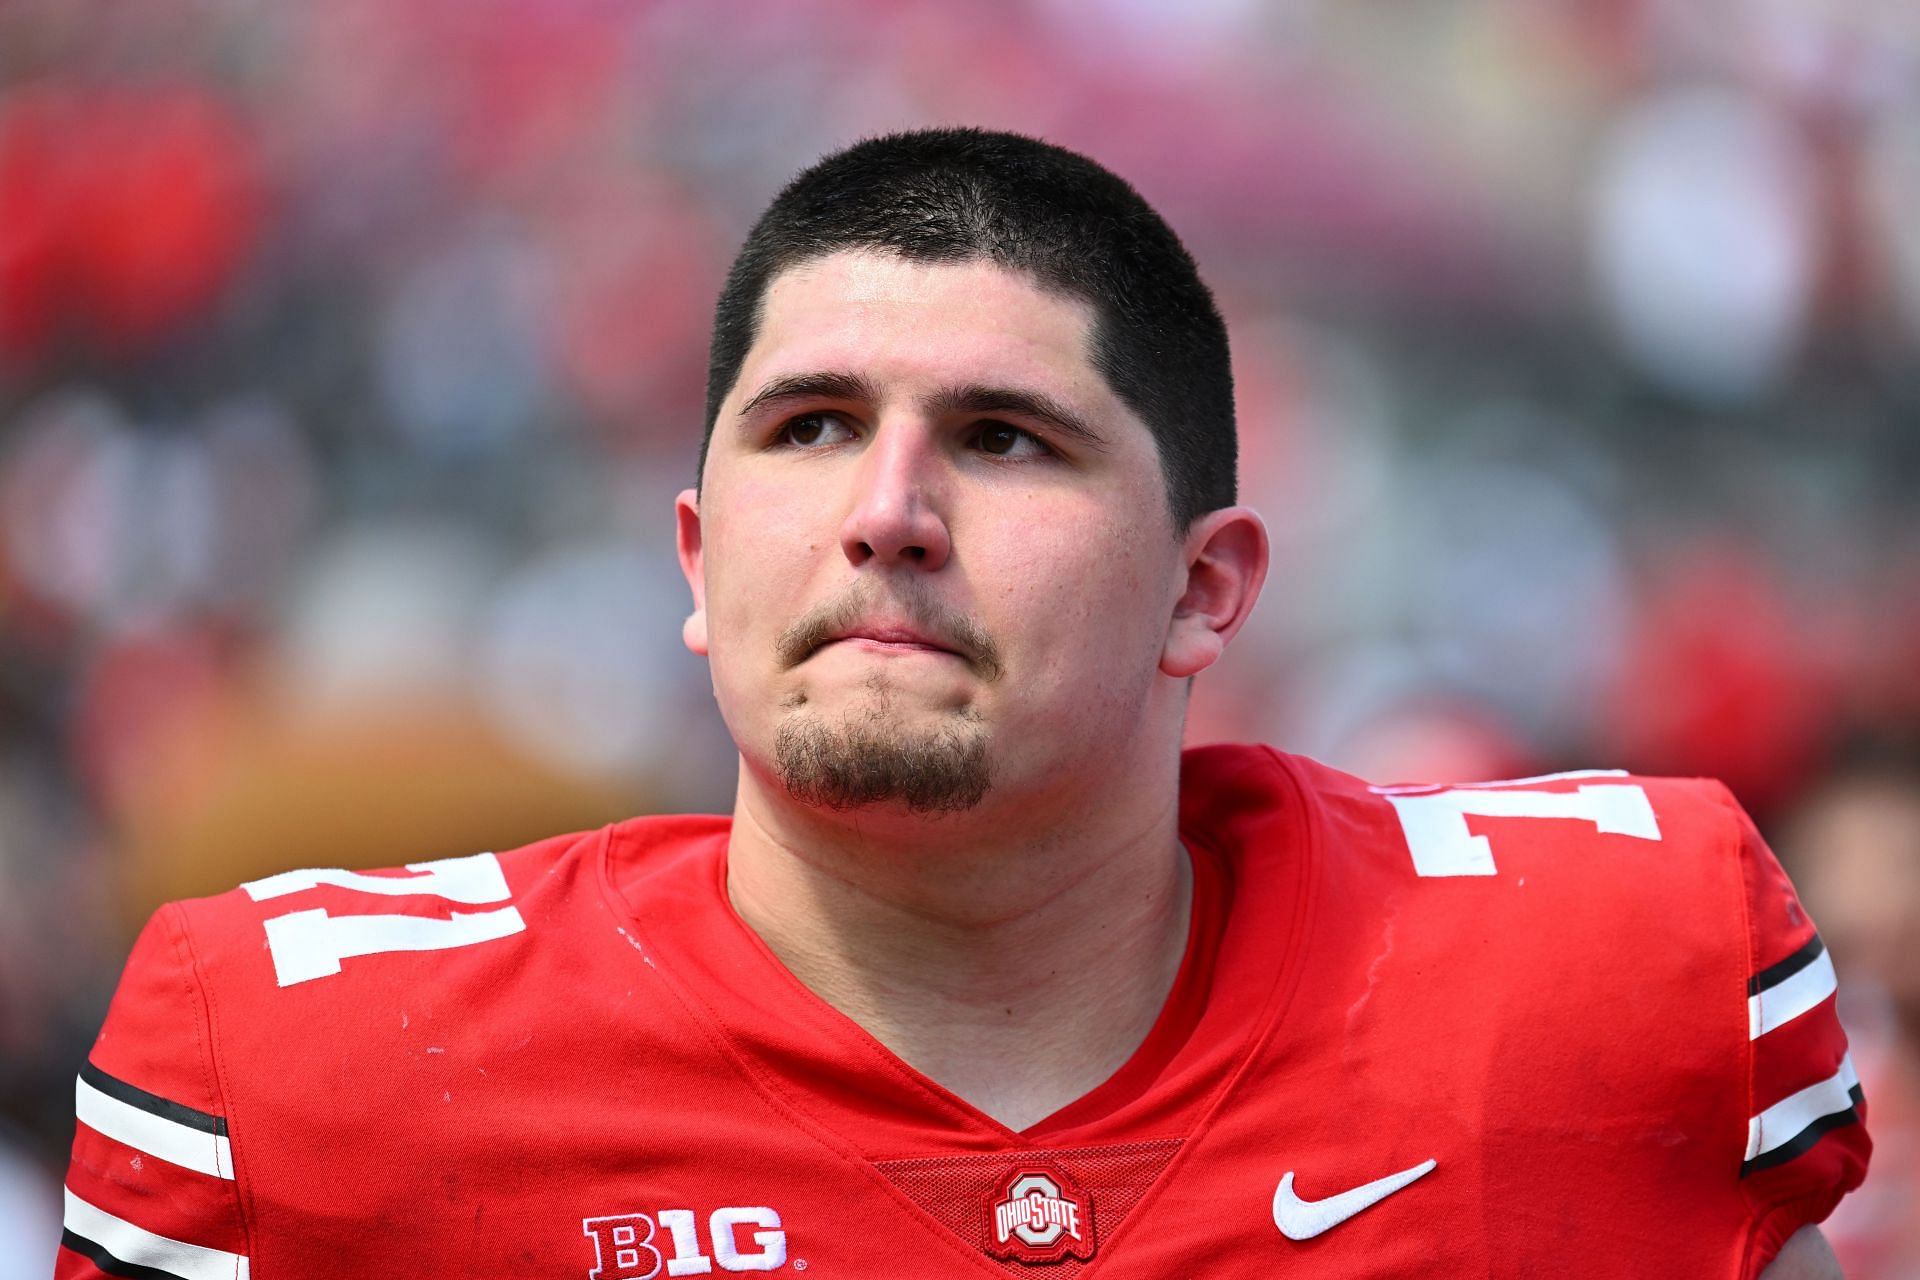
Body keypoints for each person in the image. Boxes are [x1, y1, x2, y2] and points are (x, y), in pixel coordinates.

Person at [57, 129, 1865, 1279]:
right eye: (809, 425)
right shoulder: (304, 1076)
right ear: (696, 560)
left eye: (1005, 439)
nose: (886, 514)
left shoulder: (1608, 983)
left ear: (1204, 587)